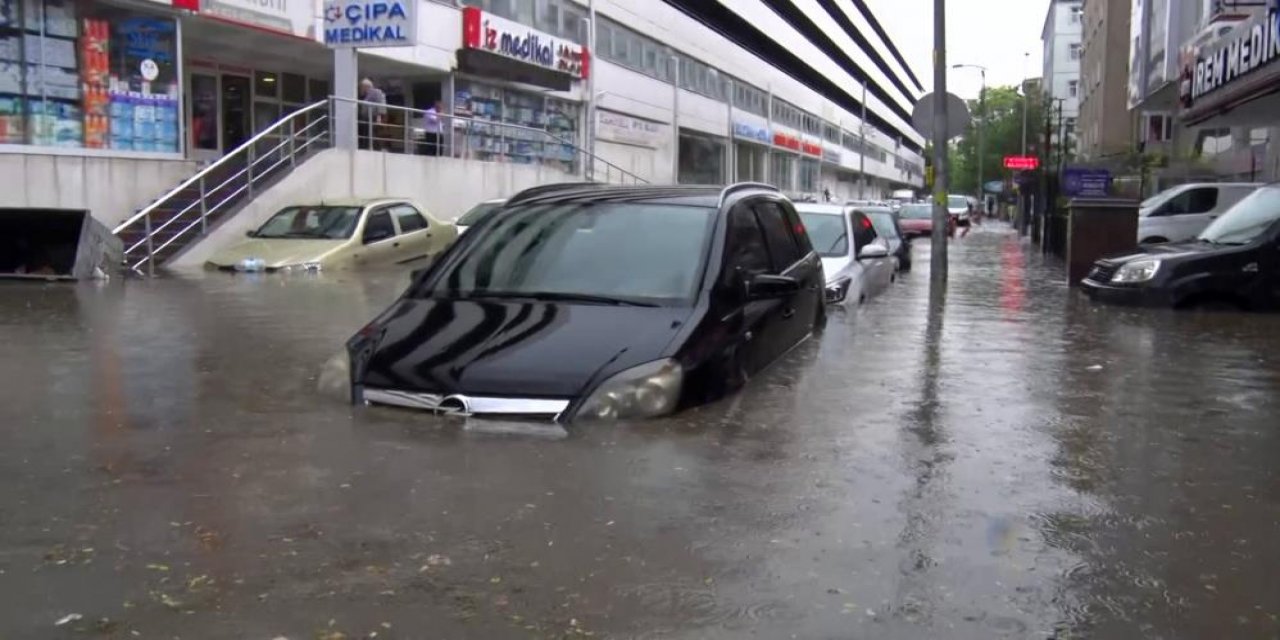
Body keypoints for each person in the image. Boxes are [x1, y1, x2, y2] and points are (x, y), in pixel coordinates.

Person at [358, 78, 386, 150]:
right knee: (367, 134)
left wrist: (378, 118)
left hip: (373, 117)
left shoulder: (376, 92)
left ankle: (376, 148)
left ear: (366, 86)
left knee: (372, 134)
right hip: (367, 118)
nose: (361, 89)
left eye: (362, 87)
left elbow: (380, 104)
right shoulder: (367, 95)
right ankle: (367, 147)